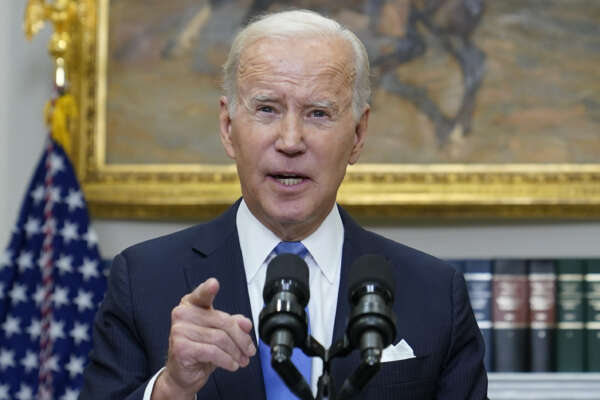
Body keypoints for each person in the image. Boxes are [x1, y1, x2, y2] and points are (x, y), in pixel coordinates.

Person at [81, 9, 487, 400]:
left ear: (359, 135)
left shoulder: (434, 293)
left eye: (318, 113)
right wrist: (171, 389)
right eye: (267, 109)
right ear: (227, 128)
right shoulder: (144, 280)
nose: (290, 141)